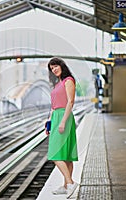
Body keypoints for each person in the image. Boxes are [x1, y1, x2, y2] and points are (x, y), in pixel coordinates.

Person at [46, 57, 78, 199]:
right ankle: (66, 186)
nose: (54, 69)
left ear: (61, 66)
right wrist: (49, 122)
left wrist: (63, 121)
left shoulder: (68, 80)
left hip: (64, 117)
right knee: (65, 156)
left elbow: (70, 101)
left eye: (55, 66)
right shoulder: (57, 84)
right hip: (56, 117)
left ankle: (70, 183)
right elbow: (53, 107)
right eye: (52, 68)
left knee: (55, 154)